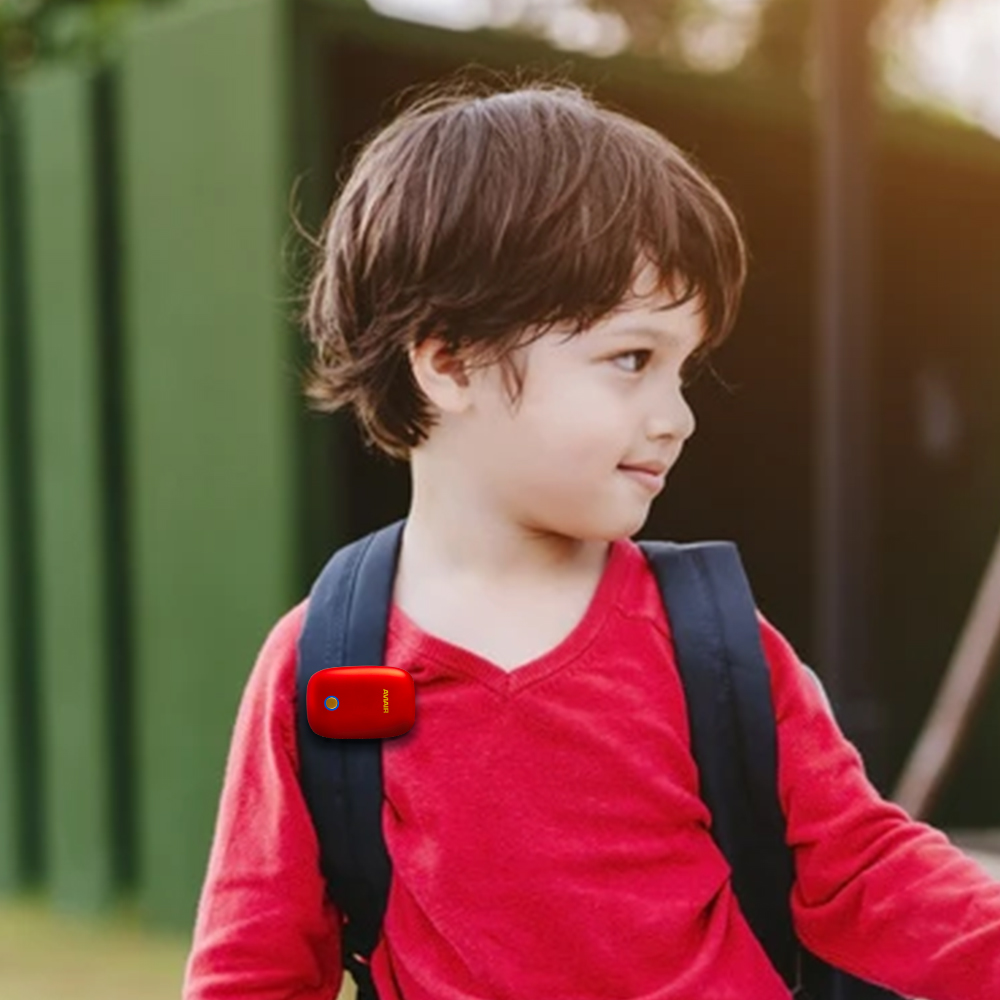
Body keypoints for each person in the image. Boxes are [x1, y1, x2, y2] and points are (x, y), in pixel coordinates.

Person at [182, 74, 1000, 1000]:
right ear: (450, 363)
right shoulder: (322, 668)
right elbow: (254, 967)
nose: (678, 417)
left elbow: (865, 869)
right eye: (632, 360)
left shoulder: (716, 647)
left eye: (683, 370)